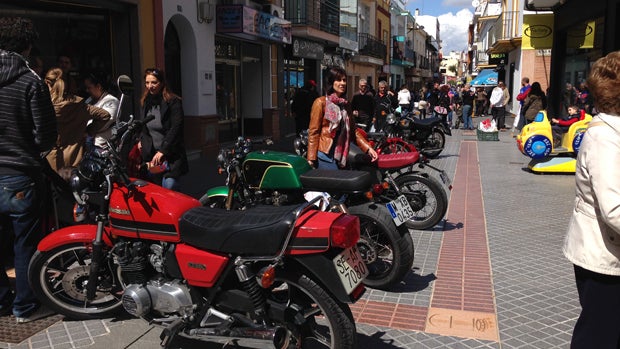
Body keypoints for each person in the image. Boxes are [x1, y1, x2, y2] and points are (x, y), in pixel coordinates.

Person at [0, 16, 58, 323]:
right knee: (25, 243)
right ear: (27, 45)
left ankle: (1, 302)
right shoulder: (31, 82)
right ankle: (24, 306)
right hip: (20, 174)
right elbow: (47, 135)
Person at [562, 50, 620, 348]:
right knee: (600, 334)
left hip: (608, 251)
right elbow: (614, 209)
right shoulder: (604, 138)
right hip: (604, 256)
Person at [306, 67, 377, 170]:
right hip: (325, 154)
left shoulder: (345, 104)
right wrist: (311, 158)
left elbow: (354, 131)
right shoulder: (321, 103)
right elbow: (314, 132)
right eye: (338, 80)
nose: (343, 83)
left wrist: (368, 148)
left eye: (344, 80)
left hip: (341, 155)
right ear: (331, 82)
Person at [44, 67, 111, 172]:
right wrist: (88, 131)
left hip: (52, 160)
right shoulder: (80, 107)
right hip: (75, 158)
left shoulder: (44, 108)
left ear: (48, 84)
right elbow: (105, 115)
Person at [138, 67, 189, 191]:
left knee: (169, 187)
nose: (150, 86)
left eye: (154, 82)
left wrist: (163, 151)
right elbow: (143, 126)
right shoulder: (145, 101)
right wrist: (140, 140)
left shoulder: (173, 101)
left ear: (161, 83)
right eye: (147, 82)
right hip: (152, 158)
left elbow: (176, 127)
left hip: (170, 157)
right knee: (156, 192)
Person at [83, 69, 119, 149]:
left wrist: (87, 131)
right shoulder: (89, 101)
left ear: (98, 86)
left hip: (102, 146)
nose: (87, 90)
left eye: (89, 88)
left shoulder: (111, 101)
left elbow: (107, 120)